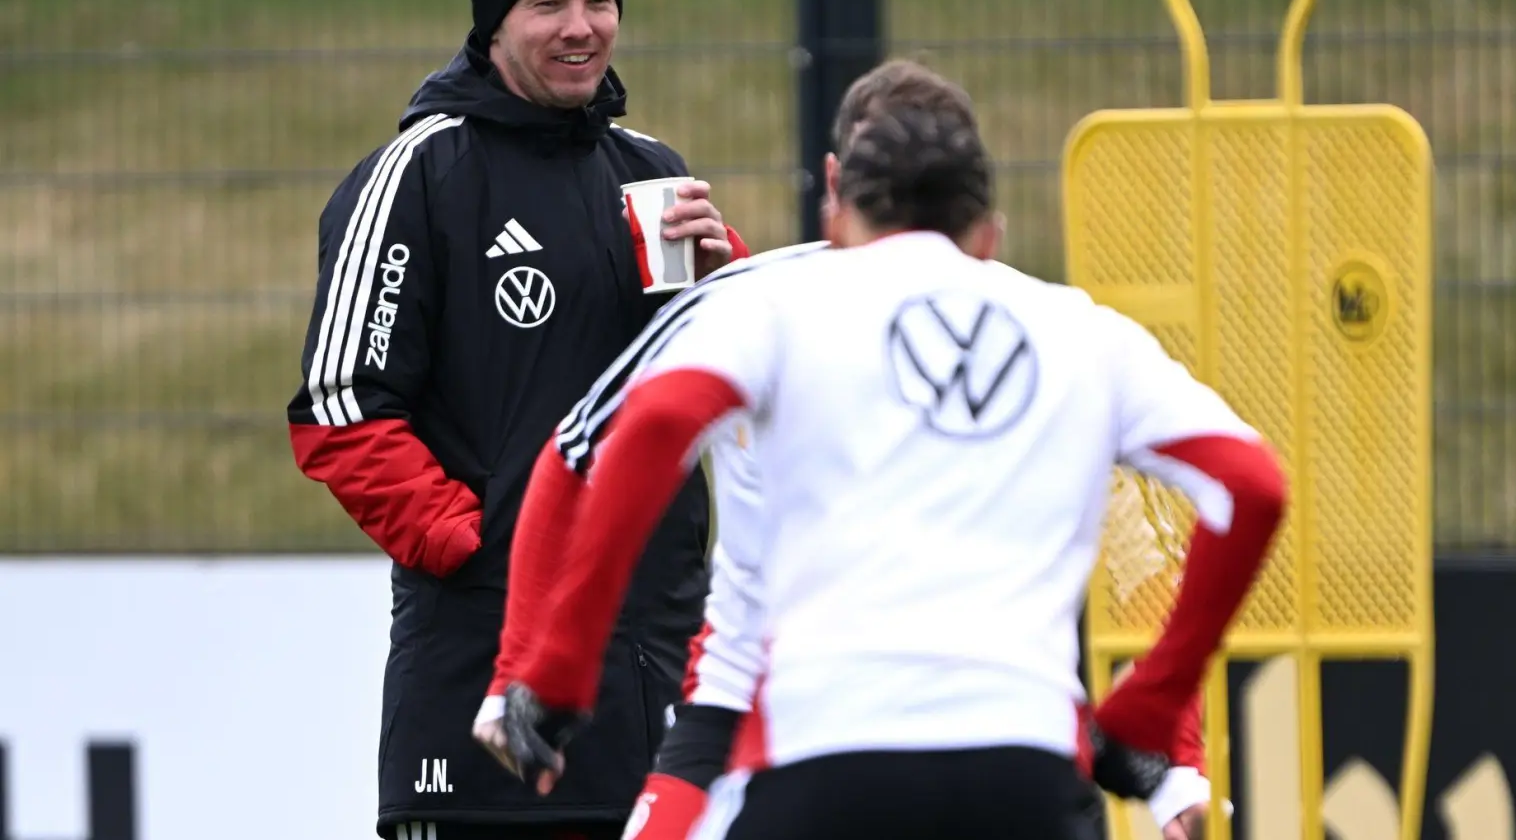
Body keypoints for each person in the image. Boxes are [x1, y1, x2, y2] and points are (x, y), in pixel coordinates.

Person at [484, 91, 1284, 835]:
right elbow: (1239, 493)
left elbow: (639, 432)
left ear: (834, 202)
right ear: (989, 229)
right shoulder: (1076, 328)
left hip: (818, 741)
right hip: (1023, 754)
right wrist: (1155, 716)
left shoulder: (766, 308)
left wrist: (551, 672)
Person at [284, 0, 748, 837]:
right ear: (494, 22)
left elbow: (725, 395)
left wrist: (728, 280)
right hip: (483, 684)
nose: (581, 29)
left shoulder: (652, 169)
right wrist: (482, 544)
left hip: (654, 680)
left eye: (599, 1)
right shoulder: (420, 172)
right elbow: (340, 410)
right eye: (548, 5)